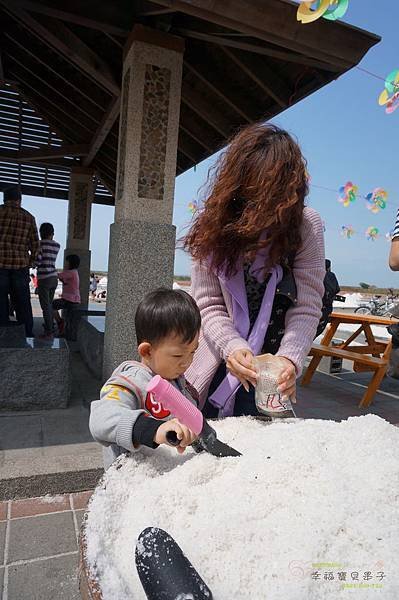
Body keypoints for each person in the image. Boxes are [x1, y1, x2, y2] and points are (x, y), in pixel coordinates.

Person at [184, 122, 325, 418]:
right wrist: (232, 347)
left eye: (274, 199)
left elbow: (307, 305)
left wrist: (290, 359)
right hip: (217, 363)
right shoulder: (213, 226)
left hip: (271, 371)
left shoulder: (306, 226)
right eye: (252, 197)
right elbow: (207, 303)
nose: (261, 210)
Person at [89, 288, 200, 469]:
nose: (187, 362)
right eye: (178, 355)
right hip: (132, 477)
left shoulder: (175, 379)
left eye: (193, 351)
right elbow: (101, 419)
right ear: (147, 351)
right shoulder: (130, 382)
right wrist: (154, 429)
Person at [0, 186, 39, 336]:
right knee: (23, 303)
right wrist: (30, 262)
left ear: (4, 198)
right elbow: (36, 245)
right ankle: (27, 334)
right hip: (20, 267)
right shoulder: (29, 217)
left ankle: (2, 335)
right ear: (19, 200)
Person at [36, 222, 60, 340]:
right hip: (54, 278)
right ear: (52, 233)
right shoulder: (57, 246)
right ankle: (50, 326)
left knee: (45, 306)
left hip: (43, 278)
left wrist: (33, 263)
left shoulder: (39, 245)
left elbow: (39, 261)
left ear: (41, 233)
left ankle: (49, 331)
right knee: (49, 305)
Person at [52, 254, 81, 336]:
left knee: (51, 306)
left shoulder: (71, 272)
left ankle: (60, 322)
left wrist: (51, 270)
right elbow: (65, 281)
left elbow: (57, 275)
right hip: (73, 299)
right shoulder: (74, 272)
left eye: (67, 262)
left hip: (70, 300)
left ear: (71, 263)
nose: (66, 264)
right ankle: (63, 329)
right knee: (69, 319)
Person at [316, 259, 340, 337]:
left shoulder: (316, 273)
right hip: (326, 310)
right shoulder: (331, 275)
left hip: (315, 307)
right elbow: (337, 289)